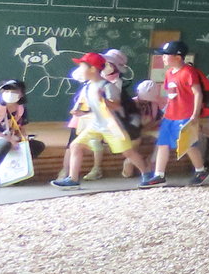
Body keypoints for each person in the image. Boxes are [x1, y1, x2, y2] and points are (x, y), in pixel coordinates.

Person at [53, 54, 147, 189]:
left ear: (92, 69)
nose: (80, 70)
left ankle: (147, 175)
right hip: (96, 125)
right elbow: (91, 107)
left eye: (82, 66)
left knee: (128, 152)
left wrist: (103, 99)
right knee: (75, 146)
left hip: (112, 126)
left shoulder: (107, 86)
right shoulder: (88, 86)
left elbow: (117, 106)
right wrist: (81, 111)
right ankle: (73, 179)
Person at [139, 40, 209, 188]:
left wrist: (195, 115)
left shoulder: (188, 72)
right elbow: (171, 95)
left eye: (166, 55)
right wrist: (165, 112)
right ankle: (159, 175)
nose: (163, 58)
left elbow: (197, 93)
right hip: (170, 116)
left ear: (178, 57)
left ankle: (201, 171)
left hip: (185, 116)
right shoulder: (169, 73)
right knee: (162, 144)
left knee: (188, 144)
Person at [0, 80, 44, 187]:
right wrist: (9, 139)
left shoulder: (21, 109)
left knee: (37, 145)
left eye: (14, 91)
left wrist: (24, 139)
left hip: (10, 137)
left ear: (21, 94)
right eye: (7, 90)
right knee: (5, 144)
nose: (9, 93)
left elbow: (20, 128)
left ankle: (16, 175)